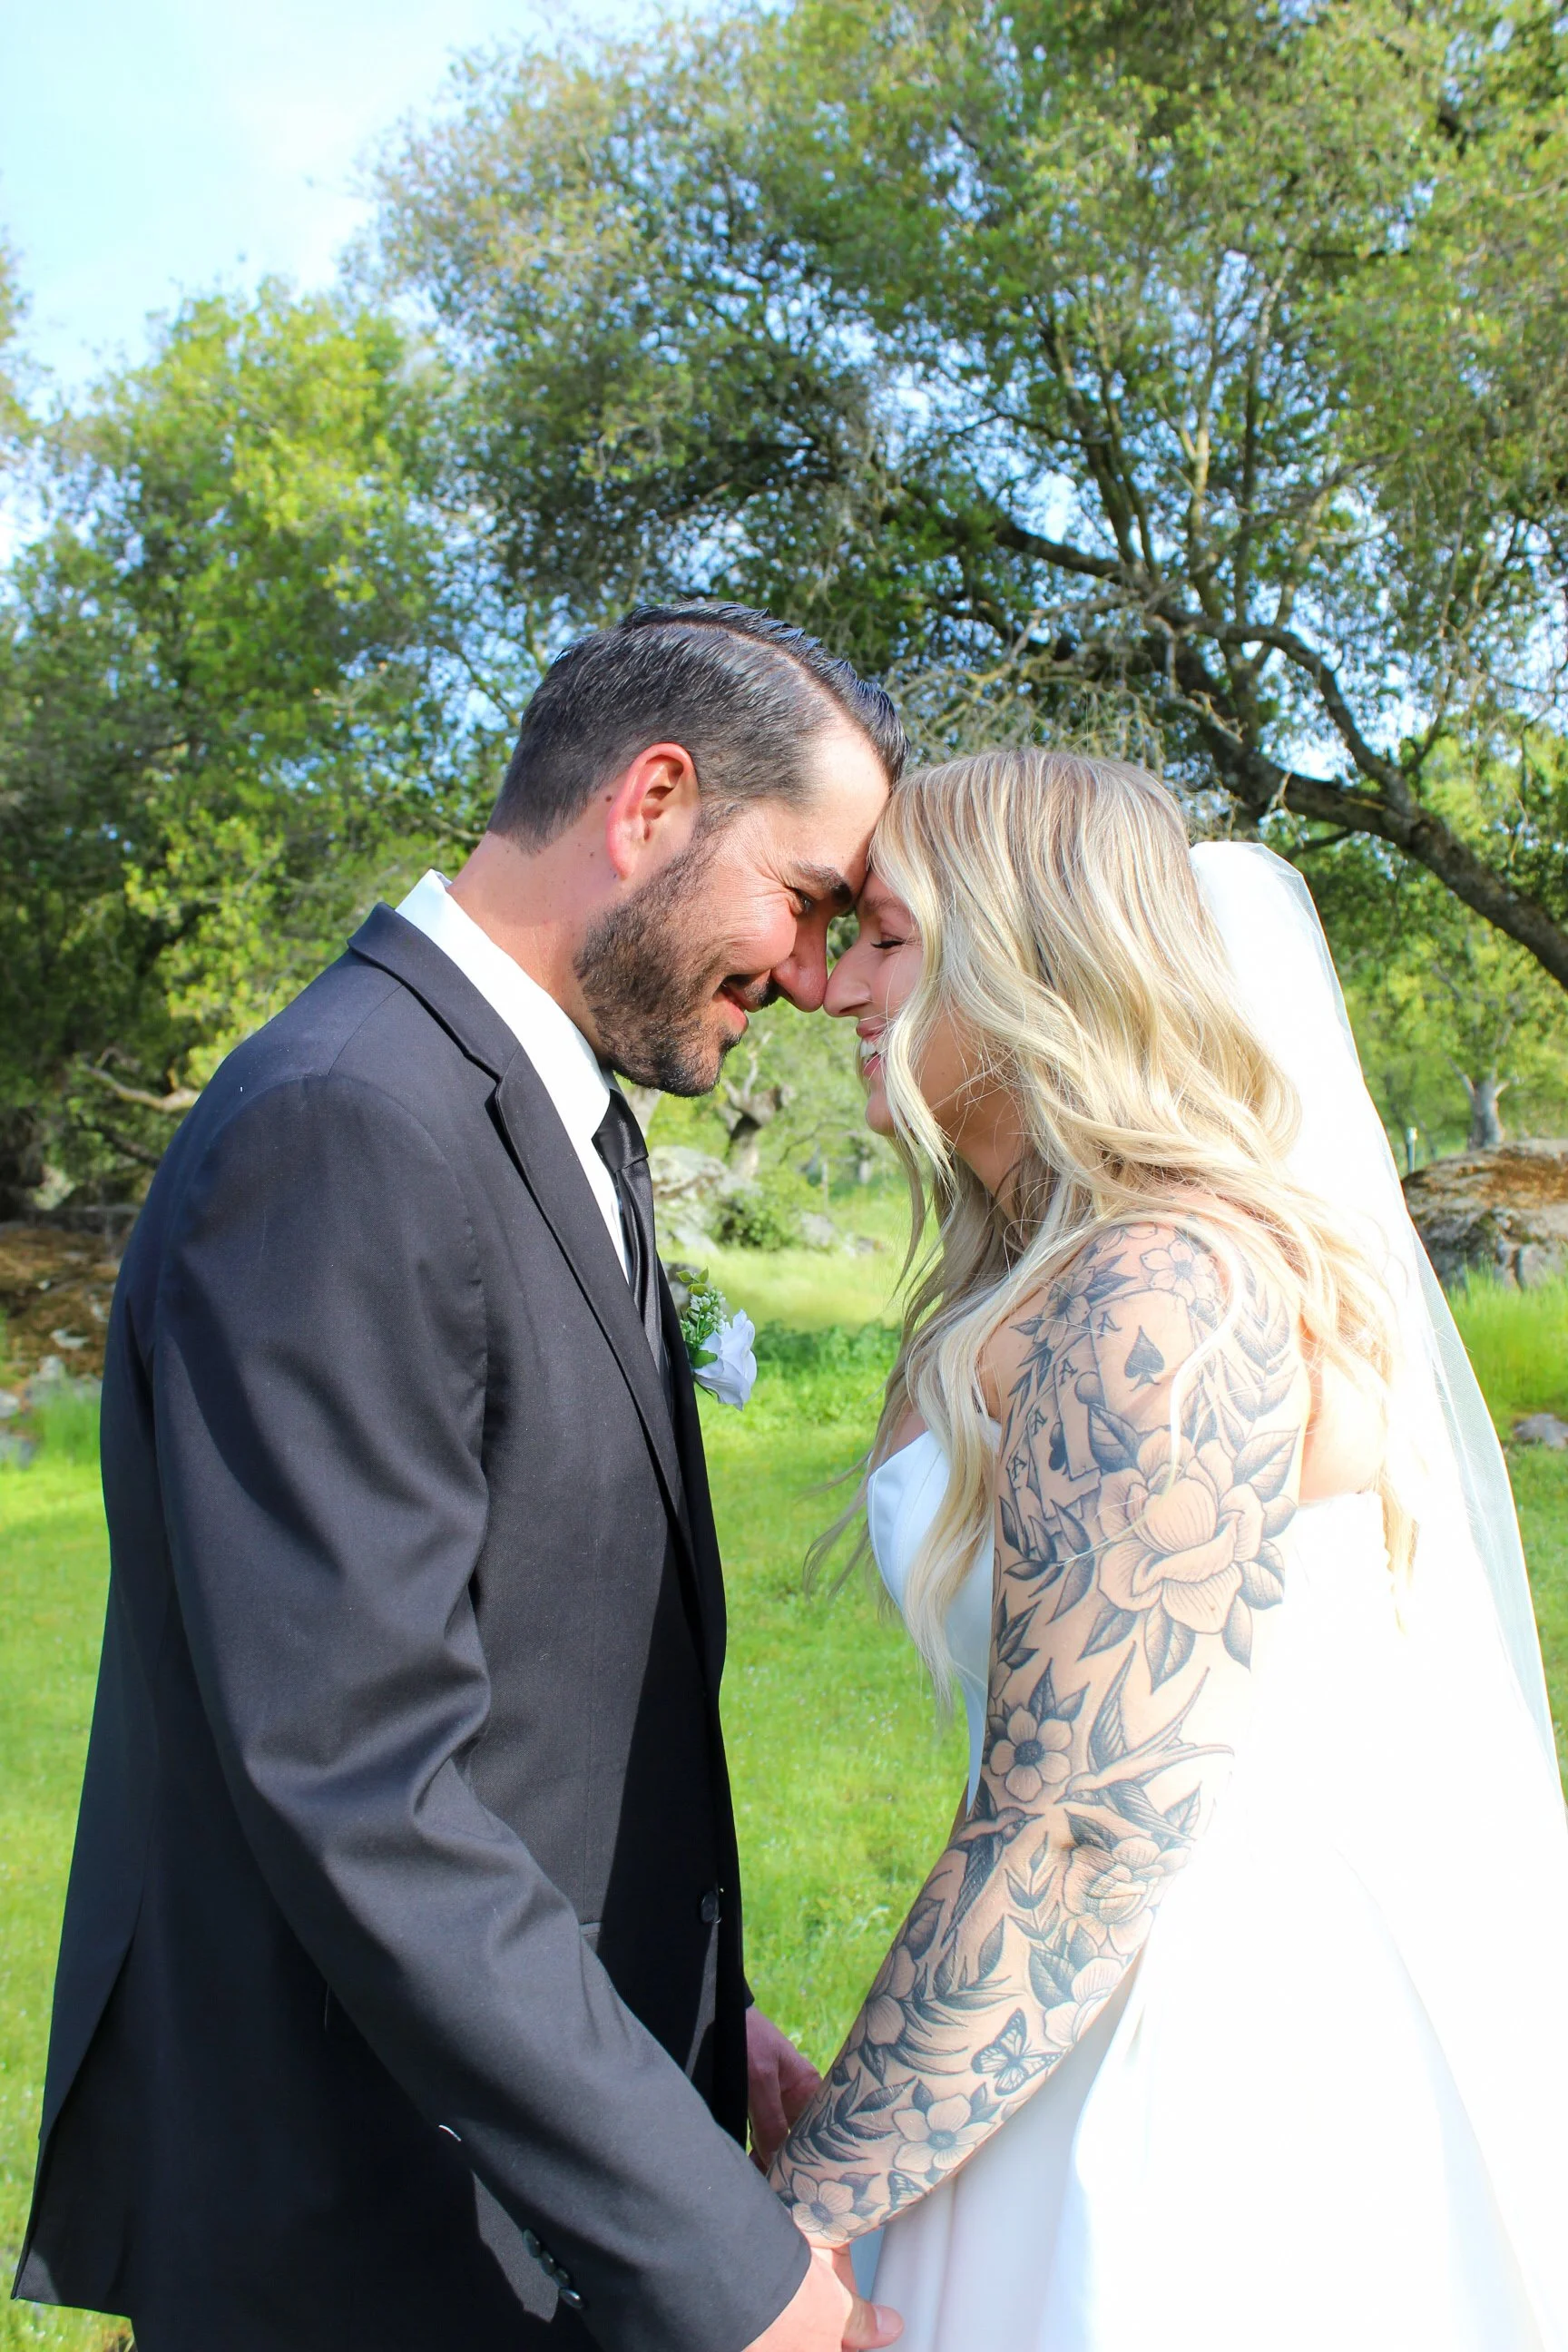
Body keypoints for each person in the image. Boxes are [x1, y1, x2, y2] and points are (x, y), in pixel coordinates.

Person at [14, 604, 905, 2352]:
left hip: (502, 2184)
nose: (812, 976)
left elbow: (533, 1678)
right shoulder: (344, 1124)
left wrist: (685, 2031)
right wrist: (724, 2270)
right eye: (803, 900)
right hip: (368, 2230)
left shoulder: (542, 1107)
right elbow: (361, 1785)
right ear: (650, 804)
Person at [769, 747, 1568, 2351]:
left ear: (1031, 953)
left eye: (889, 937)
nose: (832, 983)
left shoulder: (1162, 1298)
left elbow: (1081, 1832)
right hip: (1064, 2008)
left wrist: (784, 2222)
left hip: (1217, 2057)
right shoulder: (1047, 1279)